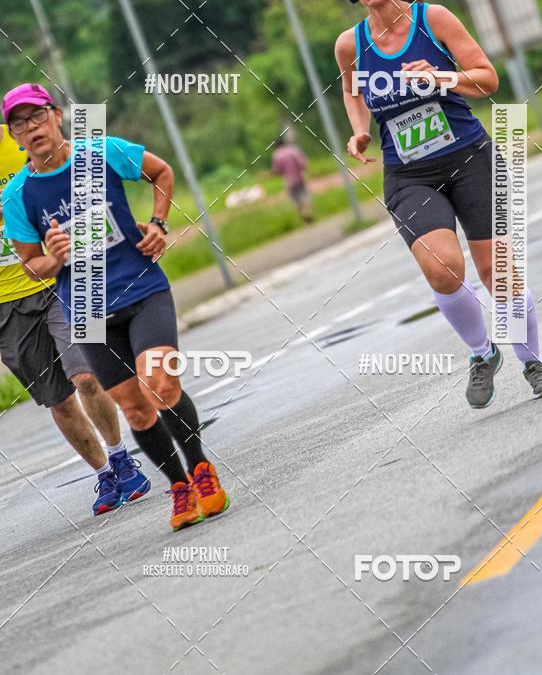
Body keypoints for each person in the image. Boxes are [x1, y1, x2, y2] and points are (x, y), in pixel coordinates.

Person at [335, 0, 542, 407]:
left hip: (471, 157)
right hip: (407, 174)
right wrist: (359, 130)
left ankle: (533, 362)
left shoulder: (432, 19)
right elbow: (352, 91)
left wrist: (441, 77)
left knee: (496, 270)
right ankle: (482, 354)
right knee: (442, 269)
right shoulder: (349, 45)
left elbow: (487, 77)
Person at [2, 83, 229, 531]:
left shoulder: (101, 151)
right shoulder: (16, 196)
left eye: (38, 116)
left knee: (159, 382)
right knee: (135, 408)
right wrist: (55, 256)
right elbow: (32, 267)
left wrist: (160, 224)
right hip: (85, 307)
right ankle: (179, 486)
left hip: (140, 287)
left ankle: (200, 468)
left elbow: (161, 171)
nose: (32, 128)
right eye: (20, 123)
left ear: (57, 116)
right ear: (13, 136)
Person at [0, 108, 148, 515]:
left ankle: (120, 455)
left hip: (62, 278)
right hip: (5, 304)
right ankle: (105, 473)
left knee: (86, 375)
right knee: (58, 399)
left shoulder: (19, 142)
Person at [272, 137, 313, 223]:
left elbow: (276, 171)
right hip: (300, 177)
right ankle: (308, 214)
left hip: (289, 181)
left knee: (296, 201)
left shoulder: (276, 155)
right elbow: (303, 163)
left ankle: (304, 217)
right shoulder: (293, 150)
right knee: (305, 197)